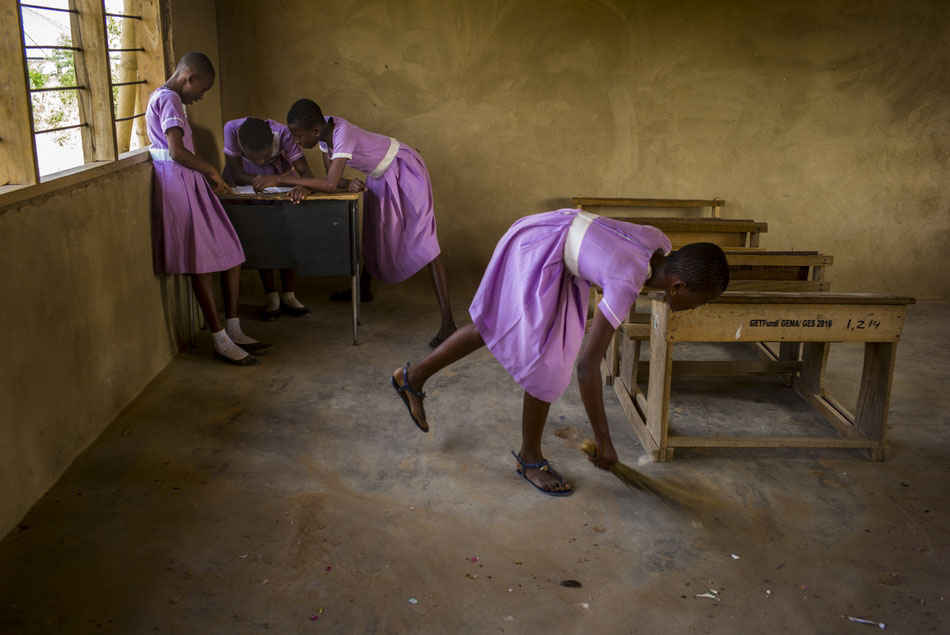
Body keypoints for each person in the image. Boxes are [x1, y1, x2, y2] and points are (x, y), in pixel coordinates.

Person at [390, 209, 729, 495]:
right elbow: (587, 368)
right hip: (540, 247)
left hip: (558, 242)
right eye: (700, 302)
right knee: (547, 361)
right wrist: (603, 438)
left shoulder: (659, 242)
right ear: (677, 287)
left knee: (512, 334)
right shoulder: (627, 281)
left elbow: (613, 256)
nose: (696, 308)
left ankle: (412, 376)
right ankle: (529, 457)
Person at [256, 98, 457, 348]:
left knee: (424, 238)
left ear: (315, 131)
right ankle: (364, 289)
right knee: (373, 234)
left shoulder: (342, 135)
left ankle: (448, 323)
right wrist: (336, 183)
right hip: (379, 175)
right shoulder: (323, 134)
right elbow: (335, 183)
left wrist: (281, 180)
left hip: (403, 169)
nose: (295, 142)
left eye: (298, 136)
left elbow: (328, 184)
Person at [147, 52, 268, 366]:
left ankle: (233, 327)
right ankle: (220, 340)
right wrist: (212, 171)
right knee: (200, 265)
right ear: (190, 78)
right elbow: (175, 151)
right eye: (203, 88)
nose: (201, 96)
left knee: (231, 252)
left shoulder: (169, 99)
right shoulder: (170, 99)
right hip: (179, 184)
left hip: (190, 182)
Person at [222, 116, 313, 319]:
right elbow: (236, 173)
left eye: (264, 157)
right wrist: (259, 179)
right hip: (245, 181)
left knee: (284, 231)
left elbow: (305, 171)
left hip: (279, 177)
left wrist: (300, 184)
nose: (261, 162)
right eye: (255, 159)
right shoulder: (231, 129)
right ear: (242, 147)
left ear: (272, 144)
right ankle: (271, 294)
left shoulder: (283, 134)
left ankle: (289, 293)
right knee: (259, 232)